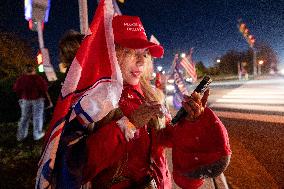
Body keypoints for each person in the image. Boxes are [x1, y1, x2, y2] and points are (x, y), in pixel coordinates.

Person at [46, 15, 231, 189]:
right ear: (108, 54)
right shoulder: (88, 101)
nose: (142, 61)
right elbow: (72, 167)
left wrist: (191, 122)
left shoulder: (151, 94)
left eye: (145, 52)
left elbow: (163, 138)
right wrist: (127, 125)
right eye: (129, 51)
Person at [13, 63, 53, 141]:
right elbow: (44, 90)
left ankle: (21, 136)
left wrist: (21, 98)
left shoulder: (21, 79)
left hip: (25, 100)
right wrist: (49, 101)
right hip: (38, 100)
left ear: (25, 70)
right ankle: (37, 134)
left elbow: (16, 90)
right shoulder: (38, 78)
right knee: (37, 117)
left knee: (24, 118)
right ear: (34, 69)